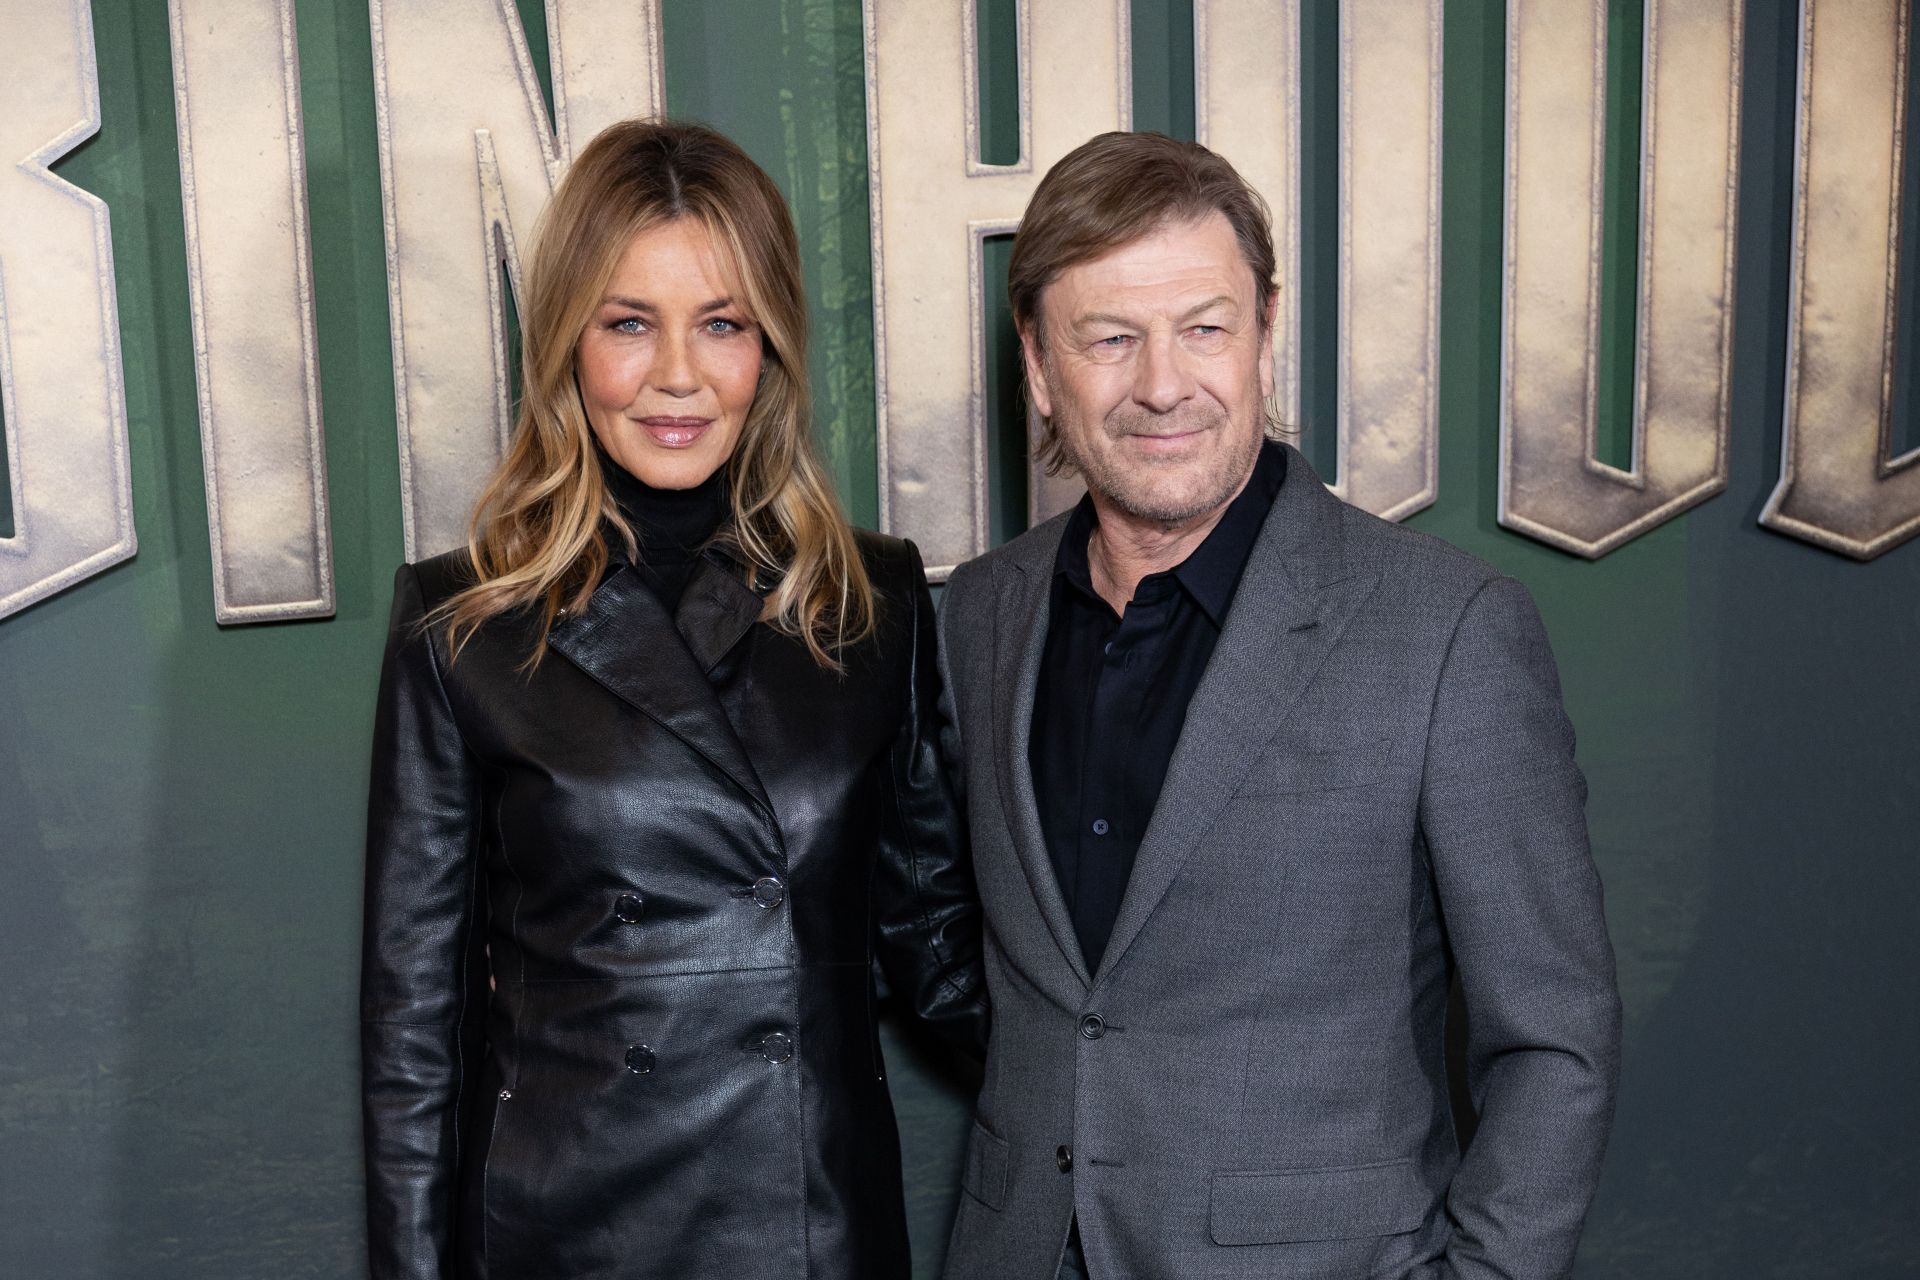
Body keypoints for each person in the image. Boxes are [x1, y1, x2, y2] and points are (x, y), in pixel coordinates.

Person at [935, 131, 1620, 1279]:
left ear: (1264, 336)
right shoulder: (978, 616)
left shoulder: (1446, 631)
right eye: (1110, 338)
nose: (1163, 382)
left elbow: (1556, 1040)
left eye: (1204, 327)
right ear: (1042, 367)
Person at [360, 119, 984, 1280]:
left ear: (771, 348)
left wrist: (1145, 1056)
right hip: (566, 1230)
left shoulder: (871, 599)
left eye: (723, 324)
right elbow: (413, 1034)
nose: (679, 376)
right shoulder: (461, 624)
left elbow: (934, 945)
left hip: (810, 1225)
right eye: (630, 323)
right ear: (567, 343)